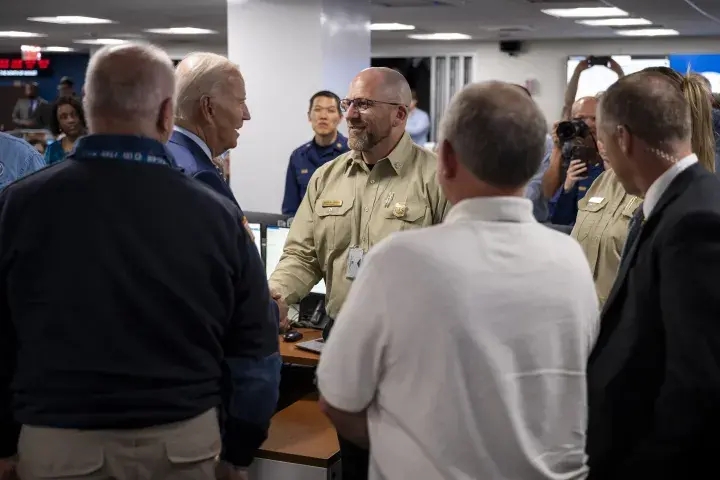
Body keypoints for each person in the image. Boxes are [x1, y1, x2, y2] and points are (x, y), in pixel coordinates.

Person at [0, 43, 280, 480]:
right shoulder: (214, 212)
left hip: (57, 444)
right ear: (168, 113)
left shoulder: (19, 204)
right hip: (182, 446)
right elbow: (255, 350)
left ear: (88, 109)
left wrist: (4, 442)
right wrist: (239, 450)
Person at [317, 81, 599, 480]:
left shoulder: (400, 261)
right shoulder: (571, 259)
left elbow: (337, 401)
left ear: (445, 158)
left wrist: (410, 451)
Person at [269, 67, 449, 479]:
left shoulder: (436, 178)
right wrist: (276, 293)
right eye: (350, 103)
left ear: (400, 114)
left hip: (412, 354)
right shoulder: (325, 178)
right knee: (356, 465)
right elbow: (302, 254)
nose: (349, 114)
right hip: (344, 345)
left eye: (364, 104)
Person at [587, 70, 720, 479]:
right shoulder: (674, 204)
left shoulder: (695, 219)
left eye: (603, 139)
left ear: (623, 139)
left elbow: (697, 383)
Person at [572, 68, 715, 307]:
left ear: (623, 138)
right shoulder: (605, 182)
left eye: (602, 137)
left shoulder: (694, 210)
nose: (600, 147)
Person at [169, 52, 251, 208]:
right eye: (240, 103)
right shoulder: (200, 176)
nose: (247, 115)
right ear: (208, 107)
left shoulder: (162, 153)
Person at [281, 90, 350, 216]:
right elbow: (290, 210)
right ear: (309, 116)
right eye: (318, 109)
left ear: (340, 118)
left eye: (330, 110)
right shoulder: (298, 156)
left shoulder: (352, 154)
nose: (323, 116)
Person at [45, 95, 87, 165]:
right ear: (58, 124)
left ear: (81, 117)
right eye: (64, 117)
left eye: (74, 115)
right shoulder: (52, 150)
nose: (71, 120)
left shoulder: (93, 145)